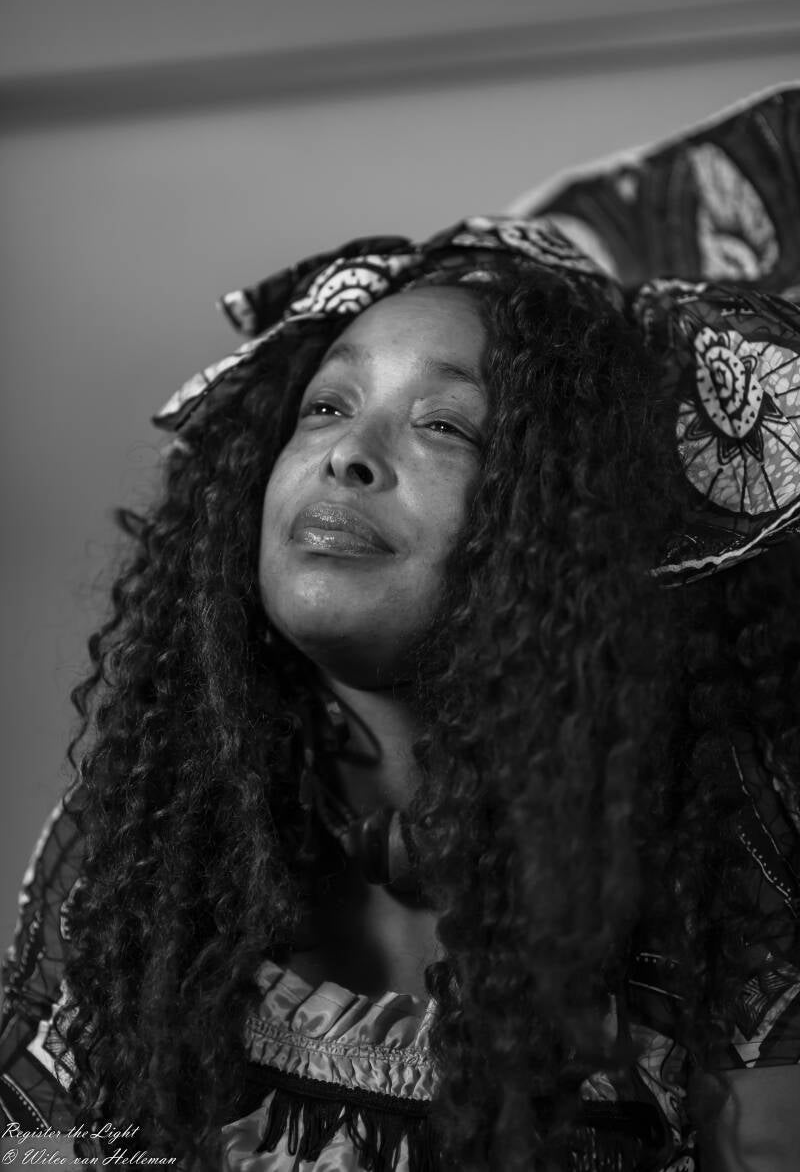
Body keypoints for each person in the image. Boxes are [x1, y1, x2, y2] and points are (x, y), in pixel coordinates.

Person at [3, 92, 800, 1172]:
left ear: (569, 523)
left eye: (444, 423)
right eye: (326, 407)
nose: (347, 455)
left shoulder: (723, 861)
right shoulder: (147, 838)